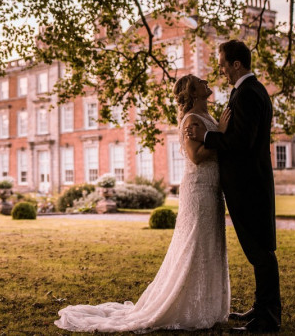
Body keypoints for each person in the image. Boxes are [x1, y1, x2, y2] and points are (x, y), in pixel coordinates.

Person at [54, 74, 231, 333]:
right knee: (196, 244)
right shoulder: (192, 119)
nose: (206, 82)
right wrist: (222, 134)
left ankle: (206, 305)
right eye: (199, 82)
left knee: (211, 243)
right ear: (193, 93)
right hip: (199, 189)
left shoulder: (209, 118)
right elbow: (196, 157)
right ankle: (189, 306)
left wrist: (221, 133)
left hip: (213, 189)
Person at [185, 40, 281, 333]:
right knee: (259, 251)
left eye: (223, 65)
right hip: (250, 184)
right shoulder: (249, 90)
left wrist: (208, 136)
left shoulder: (248, 93)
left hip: (248, 186)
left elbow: (242, 142)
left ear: (236, 64)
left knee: (260, 252)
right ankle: (262, 307)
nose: (221, 71)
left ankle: (268, 317)